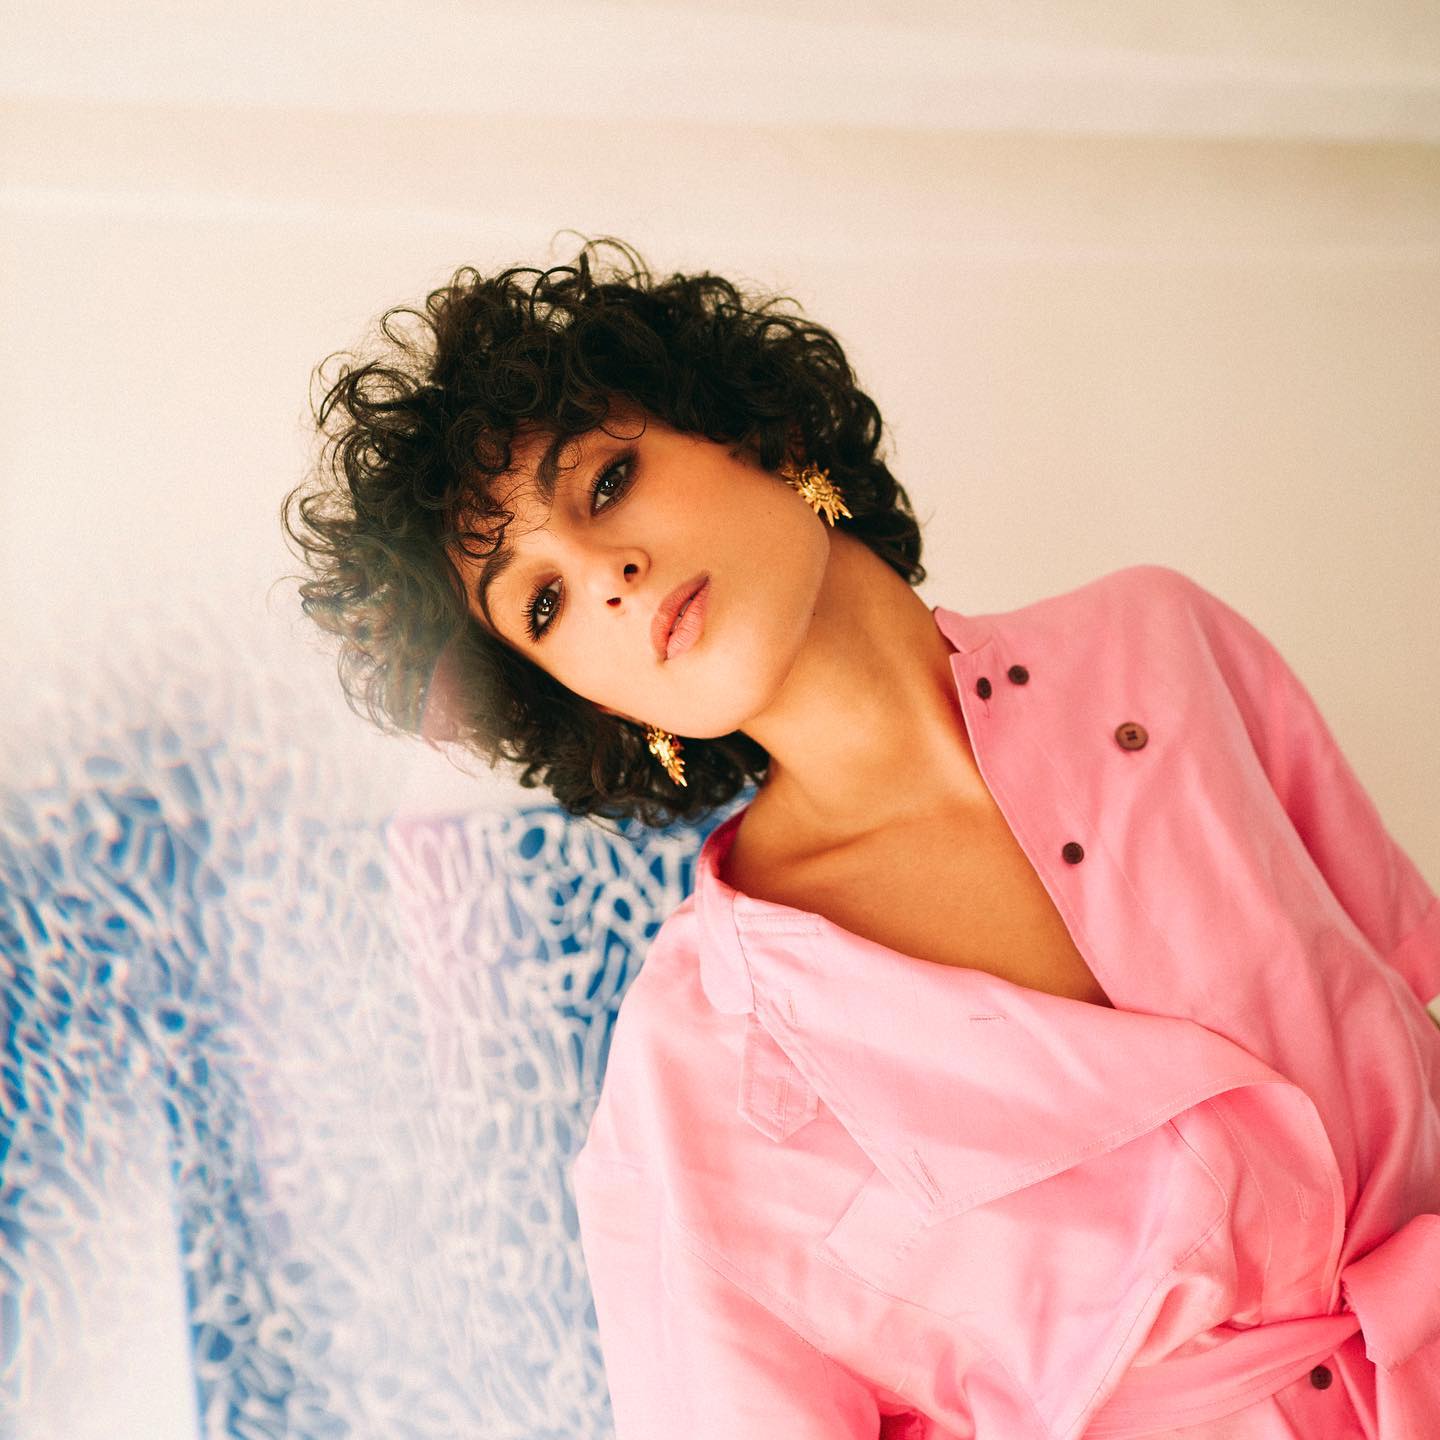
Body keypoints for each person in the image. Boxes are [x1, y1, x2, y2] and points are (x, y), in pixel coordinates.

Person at [282, 238, 1440, 1438]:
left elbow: (1415, 1001)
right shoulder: (691, 1066)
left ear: (754, 430)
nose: (604, 574)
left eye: (607, 482)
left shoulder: (1161, 648)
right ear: (586, 700)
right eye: (543, 603)